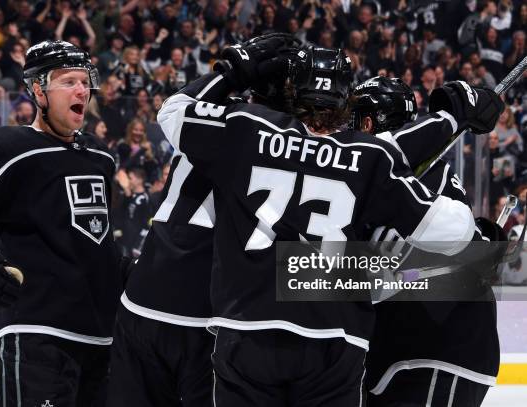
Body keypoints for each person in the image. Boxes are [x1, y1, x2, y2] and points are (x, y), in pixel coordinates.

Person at [157, 39, 482, 406]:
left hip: (246, 329)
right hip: (335, 339)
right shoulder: (371, 155)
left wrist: (233, 72)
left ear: (292, 89)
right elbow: (455, 232)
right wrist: (443, 134)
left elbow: (172, 112)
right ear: (346, 99)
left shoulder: (247, 126)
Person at [0, 40, 120, 407]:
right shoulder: (10, 146)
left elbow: (99, 242)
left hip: (104, 343)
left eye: (84, 81)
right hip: (35, 336)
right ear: (39, 91)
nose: (81, 90)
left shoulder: (102, 157)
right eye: (67, 81)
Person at [107, 33, 303, 407]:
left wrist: (231, 72)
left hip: (144, 298)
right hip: (211, 317)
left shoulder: (205, 118)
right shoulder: (298, 142)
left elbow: (172, 108)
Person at [351, 75, 504, 407]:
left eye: (354, 119)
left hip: (436, 348)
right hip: (403, 350)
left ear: (368, 121)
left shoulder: (407, 173)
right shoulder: (383, 174)